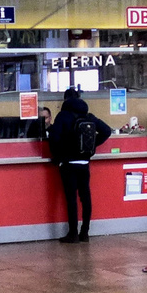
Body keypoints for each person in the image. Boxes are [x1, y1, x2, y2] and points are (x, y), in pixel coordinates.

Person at [46, 89, 111, 243]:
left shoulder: (63, 116)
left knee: (71, 199)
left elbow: (54, 139)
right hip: (84, 162)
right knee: (85, 197)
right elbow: (106, 131)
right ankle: (85, 233)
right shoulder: (88, 116)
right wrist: (92, 145)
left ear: (65, 100)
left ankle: (73, 234)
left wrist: (59, 155)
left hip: (68, 163)